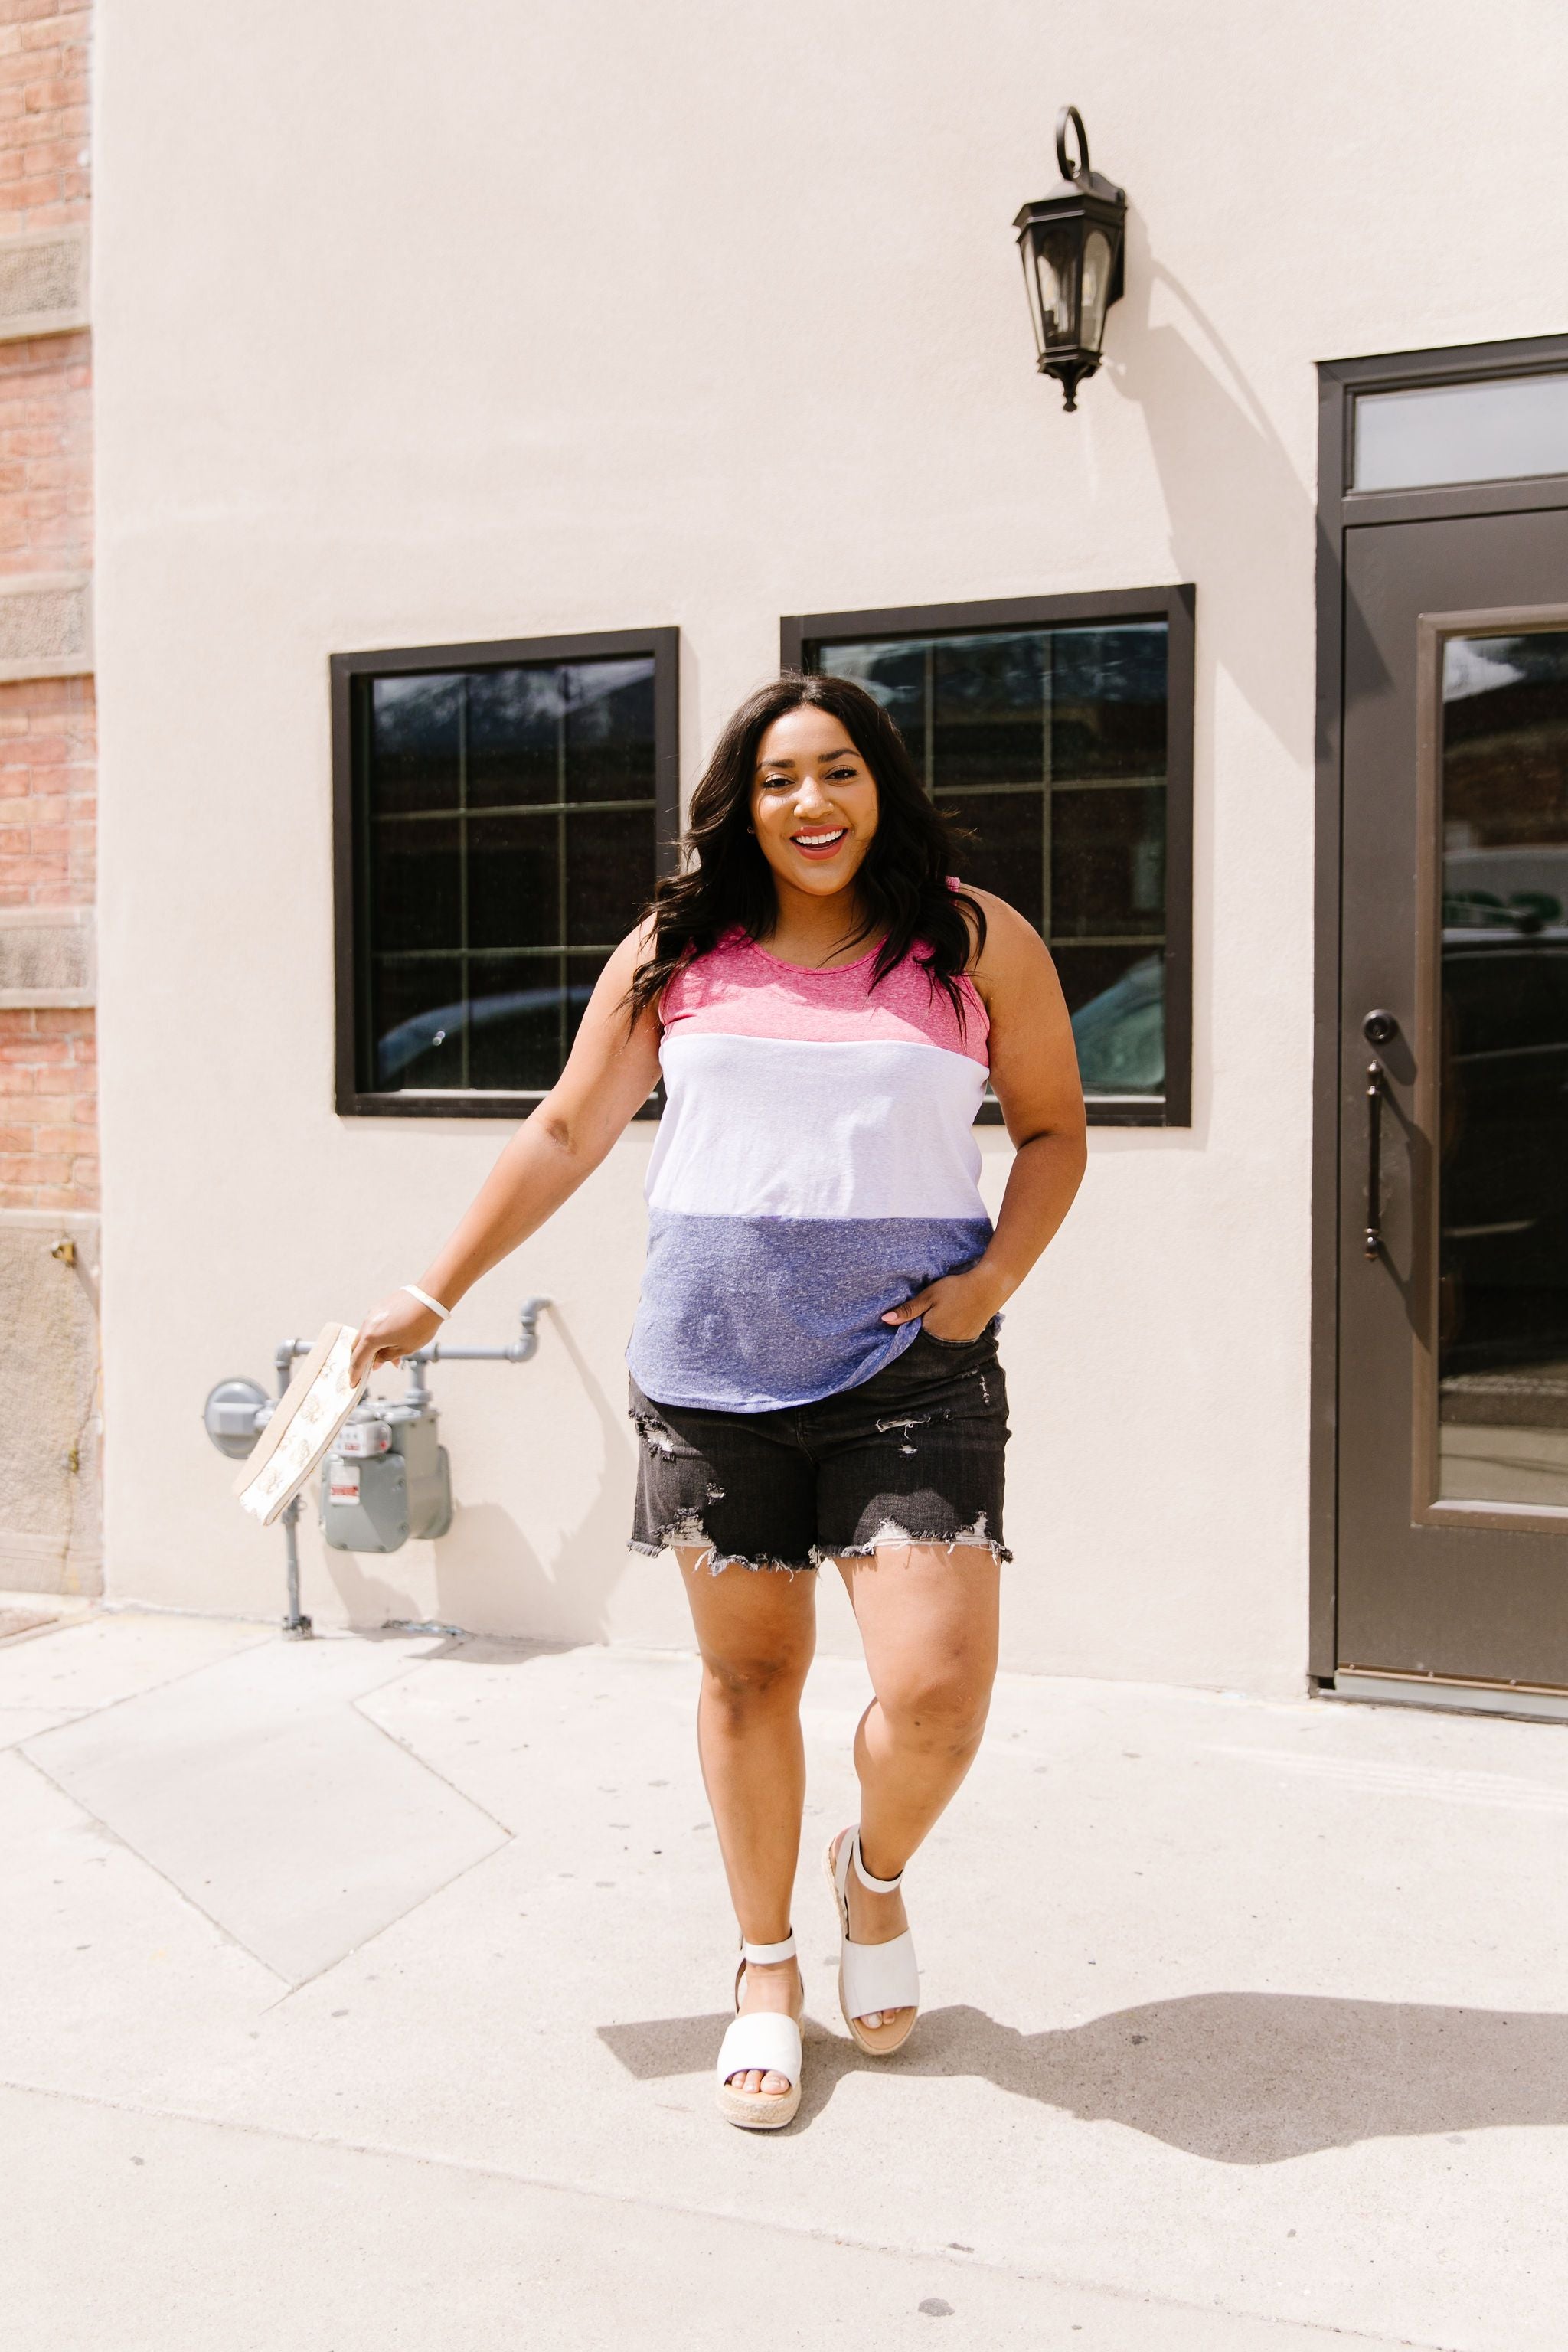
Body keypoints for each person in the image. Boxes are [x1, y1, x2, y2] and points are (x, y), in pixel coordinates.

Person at [351, 672, 1086, 2130]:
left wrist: (992, 1279)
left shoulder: (974, 940)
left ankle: (867, 1881)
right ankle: (765, 1974)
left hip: (910, 1367)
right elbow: (568, 1127)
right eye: (777, 780)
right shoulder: (681, 949)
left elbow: (1057, 1131)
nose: (810, 804)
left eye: (837, 772)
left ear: (881, 784)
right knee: (751, 1681)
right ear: (740, 805)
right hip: (712, 1372)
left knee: (935, 1694)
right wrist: (430, 1294)